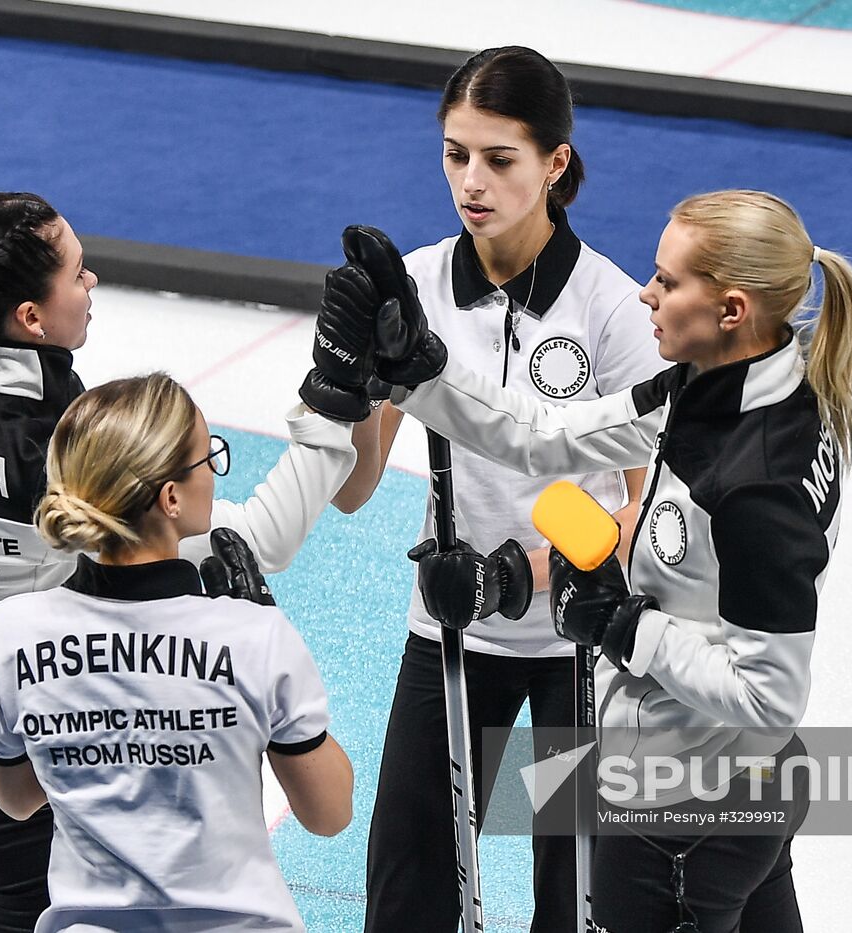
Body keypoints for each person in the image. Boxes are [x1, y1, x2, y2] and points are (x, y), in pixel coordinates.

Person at [331, 189, 852, 932]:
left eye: (668, 281)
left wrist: (624, 627)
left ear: (732, 310)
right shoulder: (726, 387)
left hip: (683, 813)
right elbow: (551, 434)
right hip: (735, 785)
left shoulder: (757, 482)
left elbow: (769, 695)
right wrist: (421, 371)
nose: (647, 294)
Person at [0, 192, 363, 933]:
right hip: (18, 793)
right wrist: (339, 401)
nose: (92, 282)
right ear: (30, 317)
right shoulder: (55, 463)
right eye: (77, 272)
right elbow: (259, 538)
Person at [322, 46, 662, 933]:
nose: (471, 181)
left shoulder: (613, 309)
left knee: (578, 903)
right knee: (407, 899)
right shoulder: (418, 287)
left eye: (499, 158)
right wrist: (351, 390)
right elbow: (354, 490)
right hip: (450, 630)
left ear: (555, 163)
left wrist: (518, 575)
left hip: (581, 643)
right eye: (455, 154)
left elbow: (652, 511)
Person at [0, 373, 353, 933]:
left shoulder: (15, 630)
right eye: (207, 460)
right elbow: (329, 813)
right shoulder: (252, 635)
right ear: (170, 498)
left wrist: (104, 737)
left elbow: (16, 798)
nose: (214, 474)